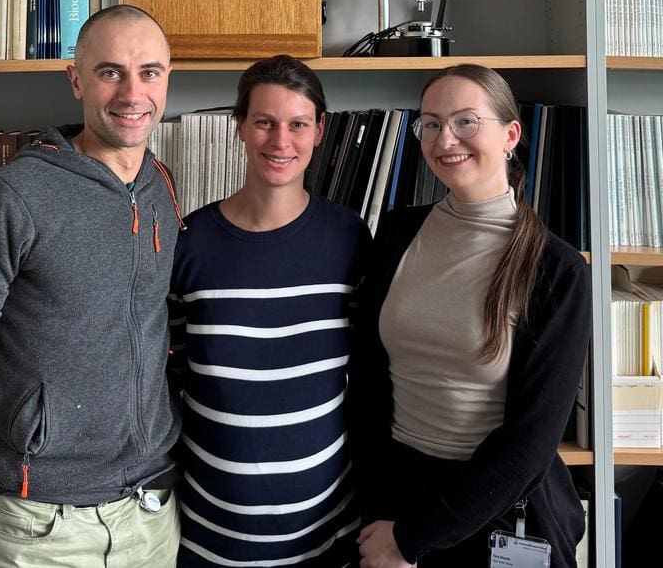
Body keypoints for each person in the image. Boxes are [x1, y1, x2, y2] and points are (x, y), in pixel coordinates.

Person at [0, 5, 185, 568]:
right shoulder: (14, 196)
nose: (133, 92)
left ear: (167, 78)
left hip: (153, 515)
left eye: (149, 72)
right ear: (76, 78)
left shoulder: (160, 184)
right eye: (110, 72)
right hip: (42, 530)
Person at [349, 64, 591, 567]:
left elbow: (530, 444)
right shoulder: (396, 233)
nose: (445, 139)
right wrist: (382, 513)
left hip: (496, 517)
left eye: (465, 122)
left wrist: (412, 538)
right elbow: (370, 385)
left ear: (511, 134)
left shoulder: (557, 269)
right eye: (431, 124)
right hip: (397, 498)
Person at [168, 55, 372, 566]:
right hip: (208, 536)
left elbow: (370, 374)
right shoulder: (188, 244)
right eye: (264, 122)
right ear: (239, 126)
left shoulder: (350, 237)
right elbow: (170, 376)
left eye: (298, 124)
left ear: (320, 130)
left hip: (327, 536)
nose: (281, 142)